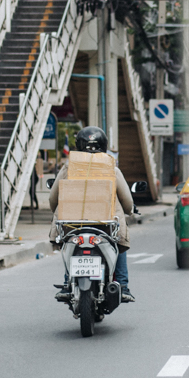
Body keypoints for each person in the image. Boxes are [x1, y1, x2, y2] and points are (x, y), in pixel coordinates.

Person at [48, 126, 137, 302]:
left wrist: (57, 212)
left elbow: (53, 198)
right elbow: (127, 201)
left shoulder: (68, 167)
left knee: (68, 245)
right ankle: (123, 286)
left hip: (72, 224)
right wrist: (130, 211)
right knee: (118, 243)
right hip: (106, 223)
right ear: (103, 146)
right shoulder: (112, 168)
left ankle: (68, 283)